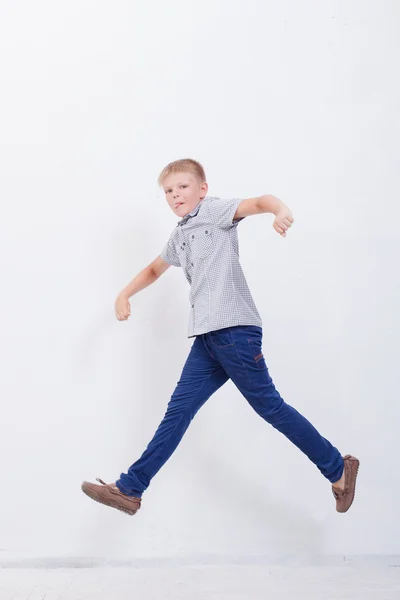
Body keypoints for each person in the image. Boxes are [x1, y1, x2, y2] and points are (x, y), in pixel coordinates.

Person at [81, 158, 359, 516]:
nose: (175, 194)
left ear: (202, 189)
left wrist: (280, 210)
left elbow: (260, 202)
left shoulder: (215, 212)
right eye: (168, 190)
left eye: (183, 186)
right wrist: (124, 294)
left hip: (235, 333)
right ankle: (131, 489)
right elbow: (154, 268)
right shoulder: (179, 235)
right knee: (177, 413)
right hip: (208, 340)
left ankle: (337, 468)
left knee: (270, 407)